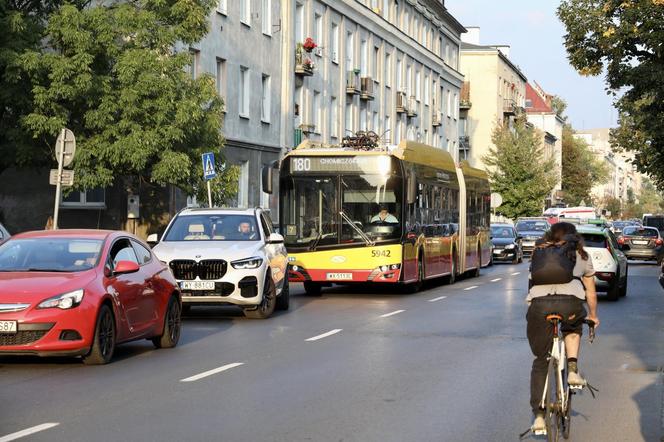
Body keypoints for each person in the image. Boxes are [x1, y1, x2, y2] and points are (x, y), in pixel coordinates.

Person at [526, 222, 600, 432]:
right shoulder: (582, 256)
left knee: (541, 360)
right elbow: (591, 293)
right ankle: (573, 370)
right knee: (573, 327)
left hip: (539, 307)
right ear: (574, 237)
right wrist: (593, 316)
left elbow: (531, 282)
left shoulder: (539, 252)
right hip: (570, 305)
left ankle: (539, 416)